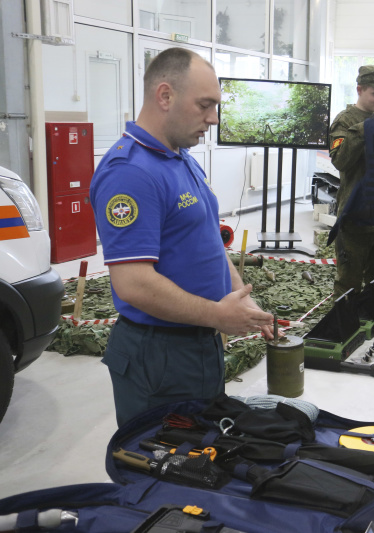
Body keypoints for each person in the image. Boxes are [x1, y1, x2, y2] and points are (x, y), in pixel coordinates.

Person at [89, 48, 276, 427]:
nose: (213, 118)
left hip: (197, 340)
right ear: (164, 96)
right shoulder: (130, 173)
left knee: (201, 459)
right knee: (162, 467)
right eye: (204, 105)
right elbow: (133, 284)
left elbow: (206, 235)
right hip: (159, 354)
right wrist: (217, 314)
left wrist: (237, 297)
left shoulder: (179, 156)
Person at [328, 65, 374, 297]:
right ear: (359, 89)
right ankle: (343, 330)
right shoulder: (345, 121)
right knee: (349, 281)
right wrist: (364, 129)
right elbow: (340, 161)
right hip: (355, 218)